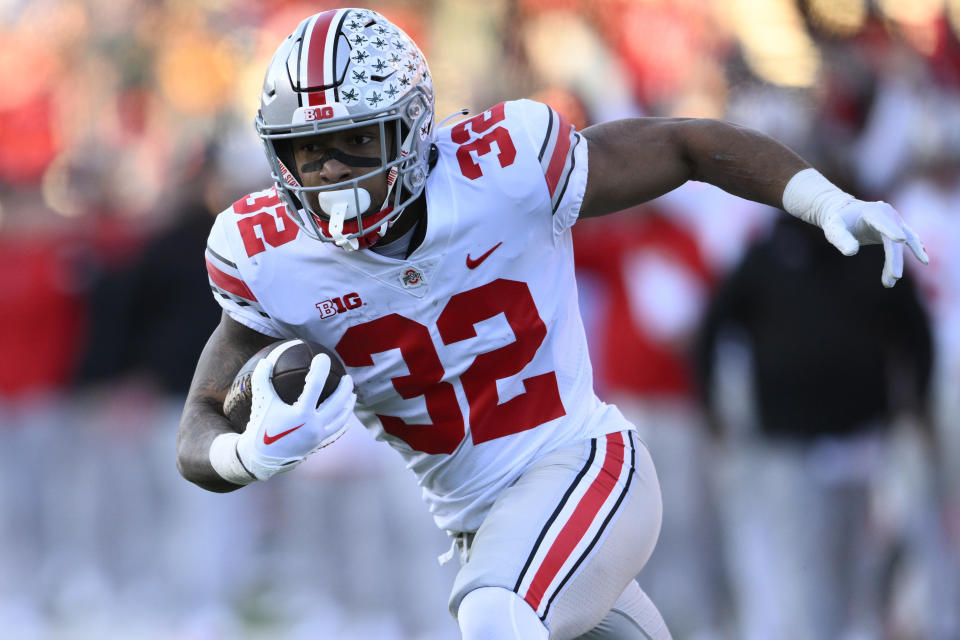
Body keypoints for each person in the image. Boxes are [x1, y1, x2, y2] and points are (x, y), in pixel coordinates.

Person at [175, 8, 928, 640]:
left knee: (497, 617)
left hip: (585, 468)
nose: (331, 172)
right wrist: (249, 454)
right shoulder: (265, 256)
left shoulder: (503, 167)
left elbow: (683, 144)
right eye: (307, 153)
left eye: (353, 142)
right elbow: (198, 430)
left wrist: (819, 198)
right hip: (484, 529)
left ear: (410, 130)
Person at [696, 214, 933, 639]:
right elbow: (715, 323)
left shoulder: (872, 254)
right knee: (802, 567)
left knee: (867, 564)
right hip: (791, 447)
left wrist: (919, 401)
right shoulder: (767, 256)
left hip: (866, 440)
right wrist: (710, 402)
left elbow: (915, 328)